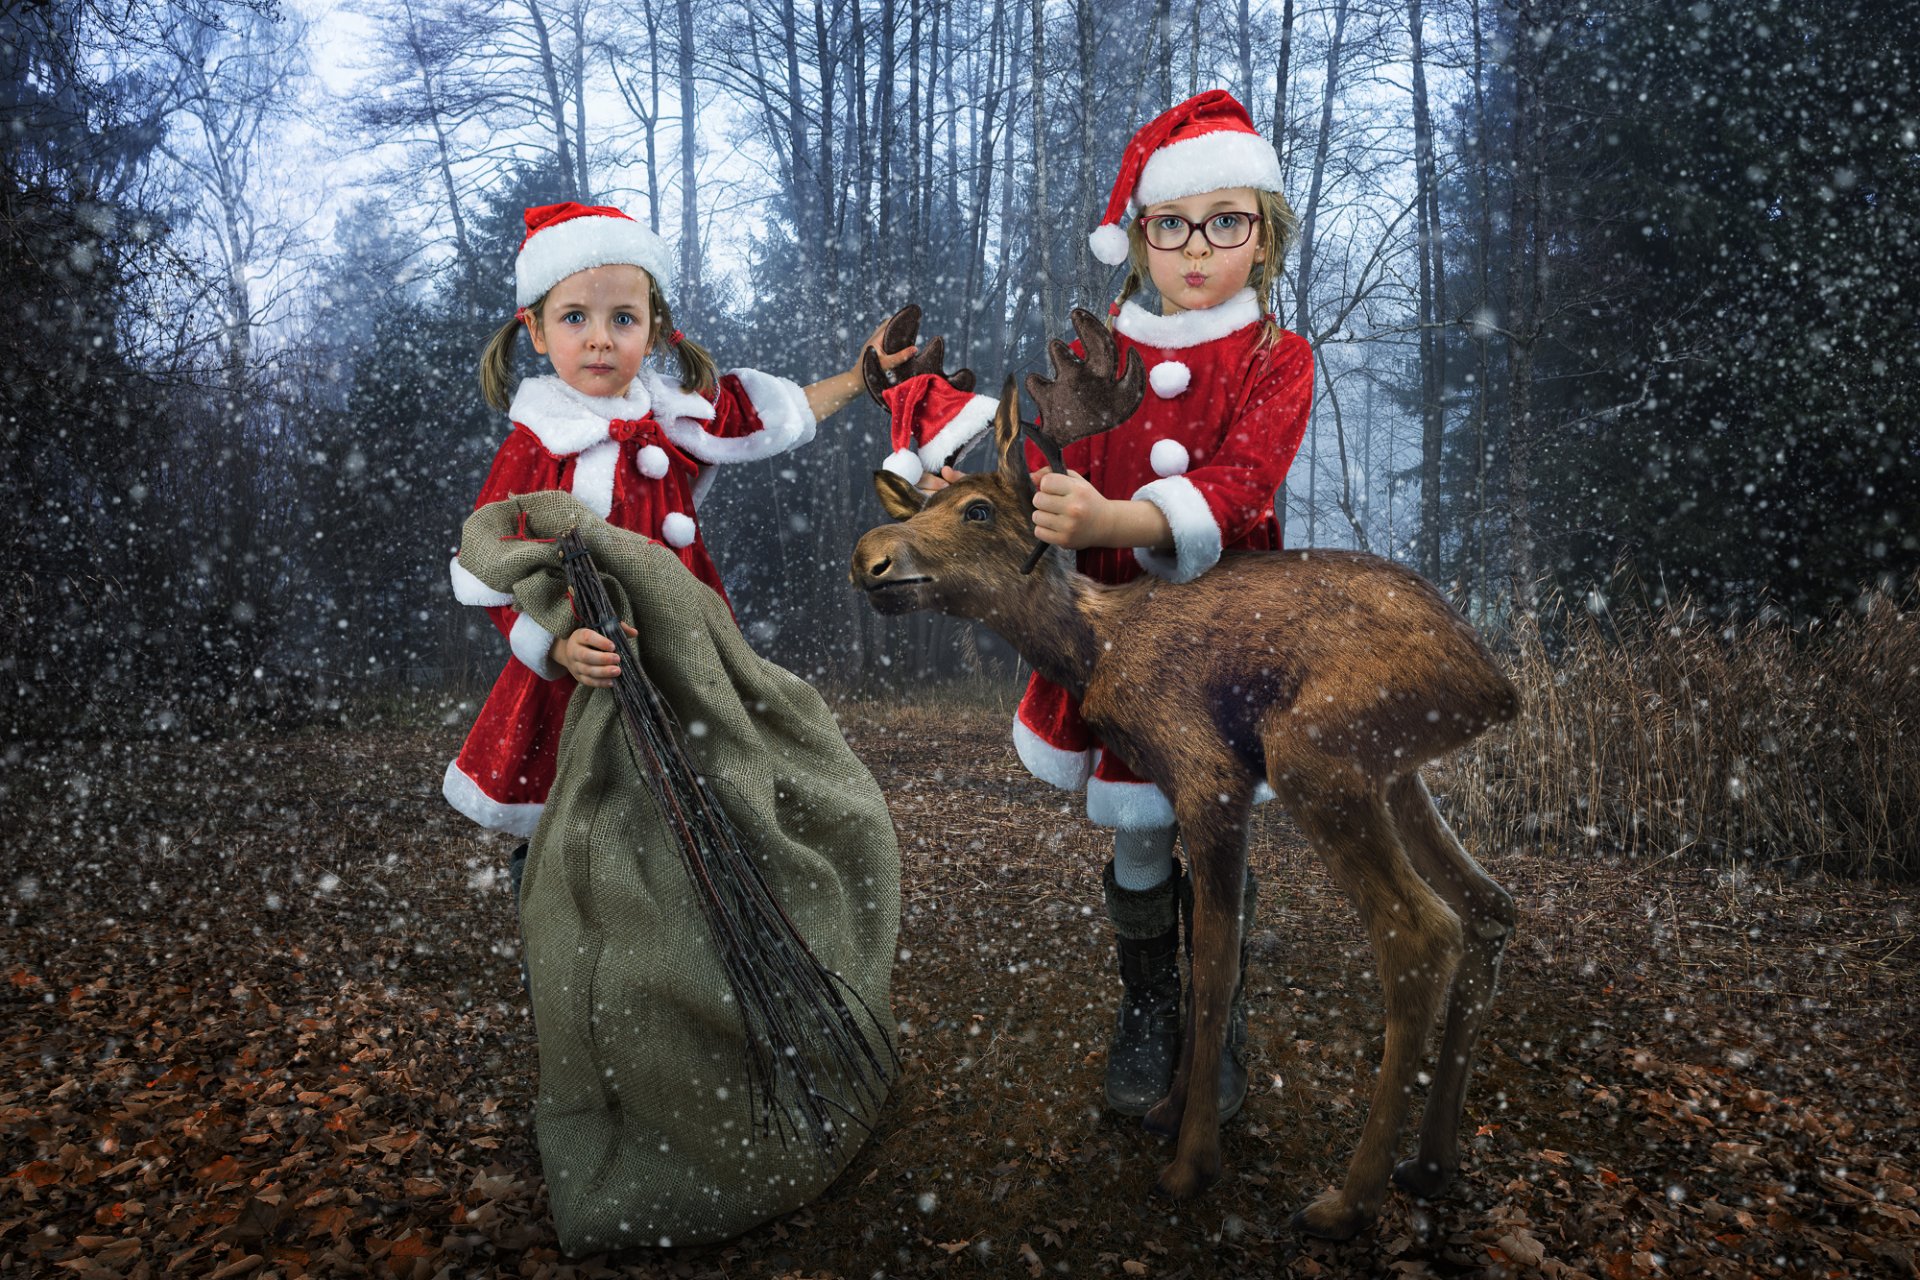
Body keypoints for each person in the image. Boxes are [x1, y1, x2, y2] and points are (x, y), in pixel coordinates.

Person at [923, 91, 1313, 1123]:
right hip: (1123, 637)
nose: (1198, 249)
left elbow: (1241, 487)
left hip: (1224, 630)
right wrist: (998, 499)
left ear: (1264, 235)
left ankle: (1216, 1020)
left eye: (1226, 222)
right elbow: (1047, 468)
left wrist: (1124, 513)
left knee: (1215, 824)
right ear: (1139, 238)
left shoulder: (1280, 358)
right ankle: (1148, 1007)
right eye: (1172, 225)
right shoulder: (1111, 358)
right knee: (1141, 831)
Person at [443, 200, 915, 858]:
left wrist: (862, 378)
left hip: (682, 654)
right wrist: (553, 648)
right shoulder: (537, 444)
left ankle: (683, 943)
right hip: (589, 667)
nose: (601, 338)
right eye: (575, 317)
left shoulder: (673, 414)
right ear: (537, 330)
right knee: (569, 828)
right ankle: (559, 952)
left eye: (624, 318)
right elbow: (487, 567)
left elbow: (766, 419)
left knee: (687, 819)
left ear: (655, 328)